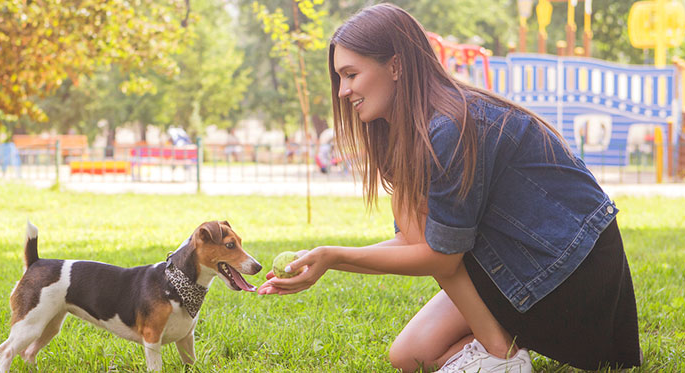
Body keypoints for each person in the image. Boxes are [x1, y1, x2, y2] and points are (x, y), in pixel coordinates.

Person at [257, 4, 641, 373]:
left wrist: (334, 257)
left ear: (395, 66)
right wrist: (321, 258)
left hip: (568, 278)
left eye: (351, 74)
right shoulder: (411, 135)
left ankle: (500, 354)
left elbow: (440, 258)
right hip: (526, 266)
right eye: (339, 78)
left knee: (439, 250)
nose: (342, 91)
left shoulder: (450, 128)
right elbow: (414, 244)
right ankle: (501, 348)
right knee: (409, 356)